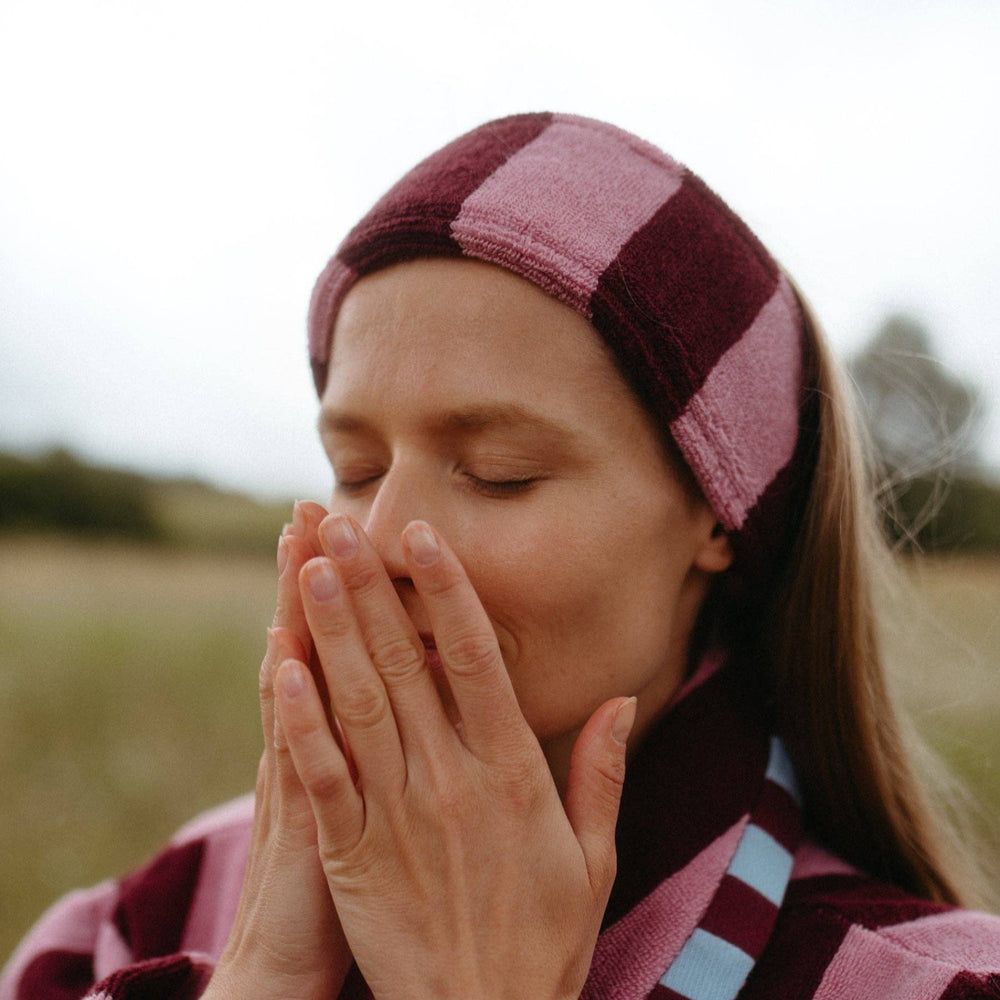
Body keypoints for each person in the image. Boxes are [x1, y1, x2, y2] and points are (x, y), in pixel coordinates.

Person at [3, 112, 999, 1000]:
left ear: (717, 515)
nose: (381, 538)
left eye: (498, 470)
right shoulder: (126, 929)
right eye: (353, 466)